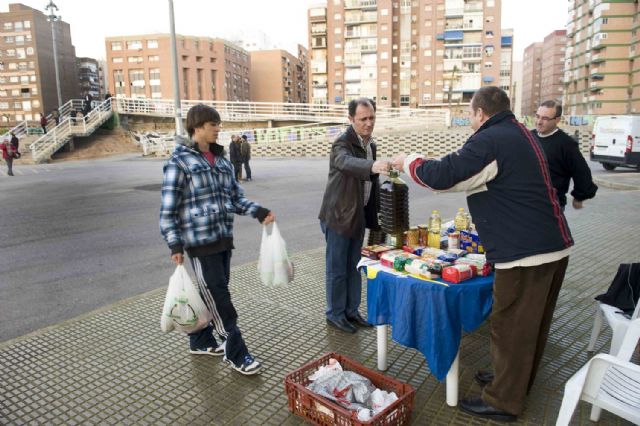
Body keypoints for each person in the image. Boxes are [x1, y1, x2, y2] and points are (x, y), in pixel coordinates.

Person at [391, 86, 573, 422]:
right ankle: (513, 382)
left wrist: (408, 161)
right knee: (531, 326)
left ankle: (504, 400)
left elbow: (444, 176)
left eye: (471, 116)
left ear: (479, 113)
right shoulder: (520, 133)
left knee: (510, 327)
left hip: (525, 254)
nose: (471, 123)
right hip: (551, 246)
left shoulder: (491, 139)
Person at [160, 103, 275, 376]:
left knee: (211, 292)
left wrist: (258, 211)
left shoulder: (222, 161)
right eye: (213, 125)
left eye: (218, 124)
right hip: (199, 243)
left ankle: (199, 341)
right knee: (220, 298)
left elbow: (234, 199)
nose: (218, 129)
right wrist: (175, 243)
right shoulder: (179, 162)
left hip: (223, 240)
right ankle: (236, 352)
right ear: (197, 127)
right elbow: (168, 210)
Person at [318, 98, 390, 334]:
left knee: (354, 267)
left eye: (372, 118)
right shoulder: (342, 143)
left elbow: (371, 184)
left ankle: (351, 311)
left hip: (357, 216)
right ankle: (335, 314)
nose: (369, 123)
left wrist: (376, 214)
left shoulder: (371, 145)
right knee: (337, 269)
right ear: (351, 120)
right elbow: (345, 162)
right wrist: (371, 167)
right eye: (363, 119)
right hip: (338, 216)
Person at [532, 100, 597, 210]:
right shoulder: (528, 137)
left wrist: (579, 197)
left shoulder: (566, 144)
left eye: (545, 118)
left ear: (557, 120)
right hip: (526, 202)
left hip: (551, 205)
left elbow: (581, 172)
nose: (539, 121)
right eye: (538, 116)